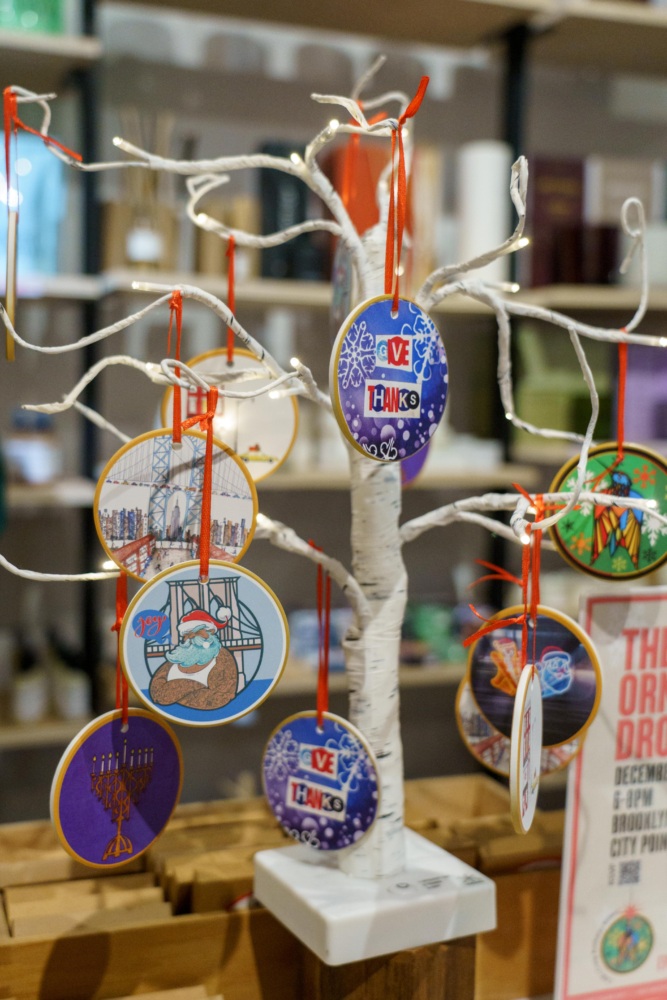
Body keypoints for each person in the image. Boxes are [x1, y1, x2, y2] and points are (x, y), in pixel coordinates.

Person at [149, 607, 238, 711]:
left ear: (211, 633)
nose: (191, 637)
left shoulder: (223, 657)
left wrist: (173, 693)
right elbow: (157, 694)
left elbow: (220, 698)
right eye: (187, 634)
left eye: (198, 633)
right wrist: (197, 687)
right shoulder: (177, 657)